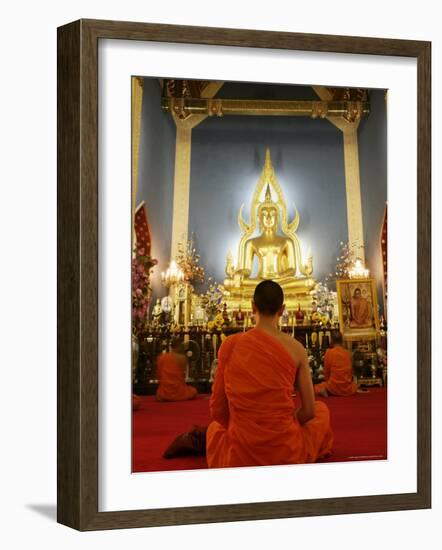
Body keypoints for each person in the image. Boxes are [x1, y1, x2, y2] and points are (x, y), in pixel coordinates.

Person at [206, 280, 333, 468]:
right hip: (286, 450)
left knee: (214, 429)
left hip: (241, 451)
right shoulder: (296, 349)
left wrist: (244, 426)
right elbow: (309, 411)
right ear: (282, 310)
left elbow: (218, 409)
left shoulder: (230, 345)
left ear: (252, 306)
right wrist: (281, 426)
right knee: (322, 411)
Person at [314, 331, 357, 397]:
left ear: (332, 341)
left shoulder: (329, 352)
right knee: (354, 385)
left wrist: (327, 383)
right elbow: (351, 372)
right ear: (342, 341)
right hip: (347, 388)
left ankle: (326, 390)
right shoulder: (348, 353)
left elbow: (326, 373)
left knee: (316, 387)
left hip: (333, 387)